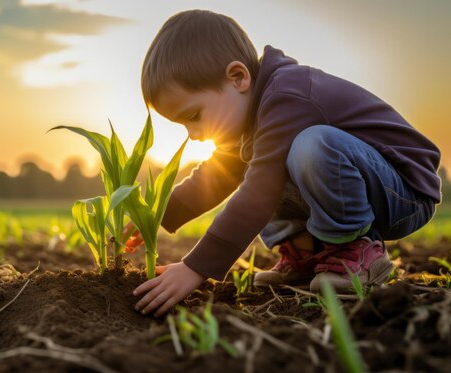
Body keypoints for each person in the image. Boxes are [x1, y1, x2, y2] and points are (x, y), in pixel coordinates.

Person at [128, 9, 441, 318]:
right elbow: (214, 177)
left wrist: (195, 268)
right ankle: (306, 253)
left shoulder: (287, 96)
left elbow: (258, 194)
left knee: (309, 147)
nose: (194, 135)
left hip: (404, 192)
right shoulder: (249, 123)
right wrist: (155, 215)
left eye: (194, 116)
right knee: (260, 162)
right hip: (367, 188)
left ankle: (355, 250)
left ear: (238, 77)